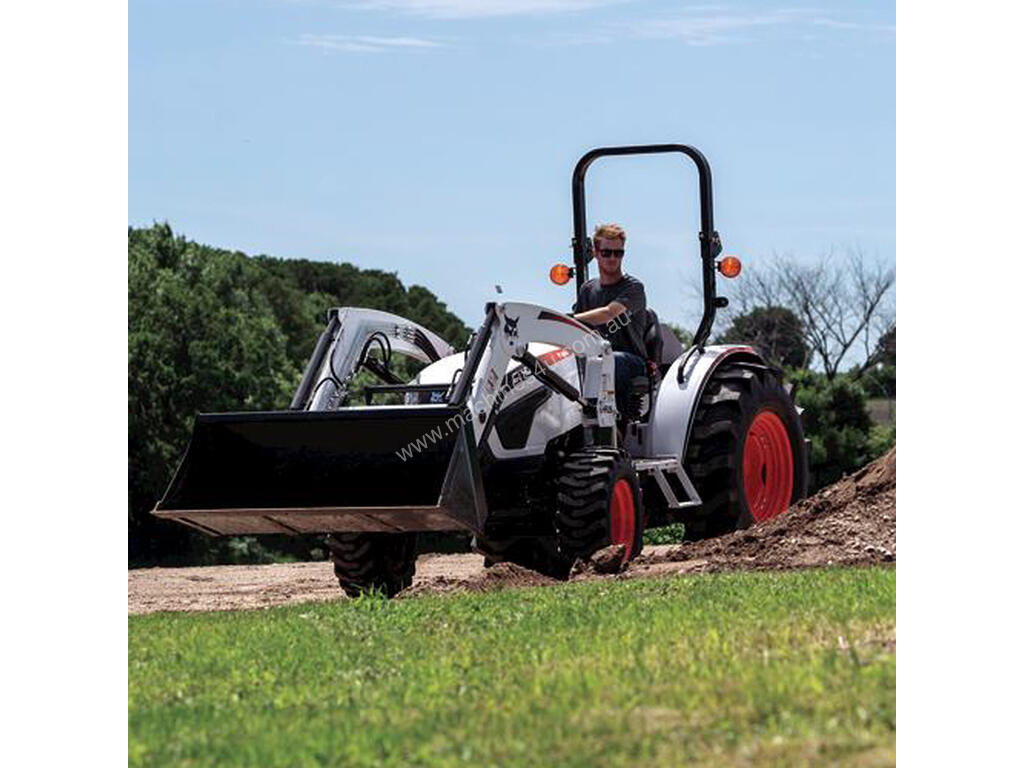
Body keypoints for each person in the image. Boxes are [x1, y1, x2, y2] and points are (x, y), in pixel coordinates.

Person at [571, 223, 648, 419]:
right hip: (594, 359)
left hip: (630, 361)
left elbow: (609, 313)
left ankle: (604, 428)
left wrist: (568, 318)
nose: (613, 258)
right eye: (606, 252)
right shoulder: (588, 290)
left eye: (618, 253)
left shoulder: (633, 288)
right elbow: (574, 329)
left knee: (604, 362)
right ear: (596, 253)